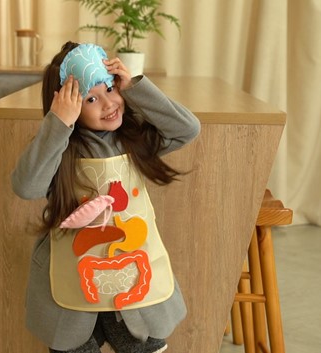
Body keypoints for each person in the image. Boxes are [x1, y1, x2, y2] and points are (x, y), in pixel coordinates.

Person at [11, 41, 201, 353]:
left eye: (110, 90)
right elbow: (26, 187)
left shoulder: (134, 140)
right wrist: (58, 125)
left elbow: (187, 129)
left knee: (144, 343)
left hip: (128, 277)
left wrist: (136, 88)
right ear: (68, 107)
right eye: (91, 98)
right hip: (71, 280)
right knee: (73, 343)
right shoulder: (58, 148)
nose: (108, 104)